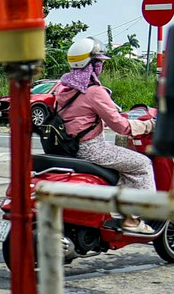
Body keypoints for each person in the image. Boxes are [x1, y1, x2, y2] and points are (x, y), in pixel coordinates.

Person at [54, 36, 157, 235]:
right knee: (142, 164)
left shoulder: (64, 87)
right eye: (99, 62)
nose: (101, 66)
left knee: (126, 164)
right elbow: (120, 126)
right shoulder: (93, 91)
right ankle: (132, 219)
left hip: (68, 148)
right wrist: (149, 126)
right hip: (92, 149)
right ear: (92, 65)